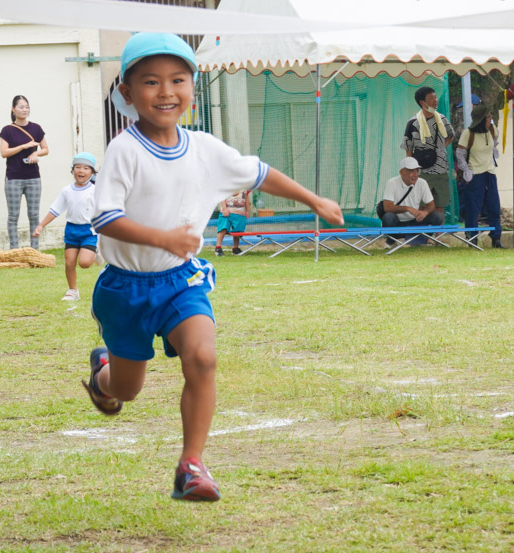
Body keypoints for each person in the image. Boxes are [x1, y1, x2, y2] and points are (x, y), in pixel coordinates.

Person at [84, 32, 342, 502]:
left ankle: (192, 465)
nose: (166, 92)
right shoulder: (124, 149)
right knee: (127, 389)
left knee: (202, 357)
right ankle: (104, 373)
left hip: (181, 281)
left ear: (191, 86)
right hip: (125, 288)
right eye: (150, 82)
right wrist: (163, 237)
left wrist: (314, 198)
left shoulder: (204, 148)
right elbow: (104, 217)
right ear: (126, 93)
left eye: (177, 80)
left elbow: (259, 172)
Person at [33, 152, 97, 301]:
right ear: (72, 170)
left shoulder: (96, 190)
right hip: (72, 230)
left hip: (90, 230)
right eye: (78, 167)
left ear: (92, 172)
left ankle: (97, 251)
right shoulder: (66, 191)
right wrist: (41, 225)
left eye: (86, 168)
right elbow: (55, 210)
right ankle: (73, 291)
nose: (81, 171)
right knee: (69, 262)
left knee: (85, 263)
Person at [0, 95, 48, 249]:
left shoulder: (36, 128)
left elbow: (45, 149)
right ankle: (14, 250)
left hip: (33, 178)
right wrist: (23, 147)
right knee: (13, 216)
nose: (24, 110)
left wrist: (35, 153)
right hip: (13, 178)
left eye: (26, 106)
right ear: (13, 109)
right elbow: (3, 152)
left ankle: (35, 249)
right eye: (21, 107)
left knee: (34, 215)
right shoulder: (7, 130)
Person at [455, 104, 503, 248]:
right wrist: (466, 170)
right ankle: (472, 239)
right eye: (488, 117)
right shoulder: (468, 134)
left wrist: (494, 152)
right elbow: (460, 153)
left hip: (490, 172)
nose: (490, 119)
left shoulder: (492, 130)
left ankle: (496, 238)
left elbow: (494, 143)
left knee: (494, 206)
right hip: (475, 174)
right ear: (481, 119)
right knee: (473, 209)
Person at [402, 86, 453, 215]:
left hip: (441, 170)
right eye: (431, 98)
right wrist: (410, 171)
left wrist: (440, 150)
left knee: (440, 206)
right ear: (422, 103)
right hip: (421, 172)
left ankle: (438, 235)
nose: (435, 100)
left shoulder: (442, 119)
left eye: (435, 97)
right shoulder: (413, 123)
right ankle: (423, 233)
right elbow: (408, 148)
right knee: (422, 205)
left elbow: (450, 136)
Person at [380, 157, 444, 244]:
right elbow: (387, 207)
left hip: (416, 220)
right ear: (402, 173)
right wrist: (407, 208)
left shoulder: (422, 182)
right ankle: (392, 241)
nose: (415, 174)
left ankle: (420, 239)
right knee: (388, 218)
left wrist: (424, 212)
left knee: (437, 216)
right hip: (398, 221)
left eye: (417, 171)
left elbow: (431, 205)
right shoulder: (391, 182)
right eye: (411, 171)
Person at [214, 190, 249, 256]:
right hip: (226, 212)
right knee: (223, 228)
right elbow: (222, 197)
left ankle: (235, 248)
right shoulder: (228, 184)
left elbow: (246, 198)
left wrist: (247, 211)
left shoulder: (245, 186)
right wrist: (224, 208)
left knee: (238, 230)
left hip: (240, 213)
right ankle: (218, 248)